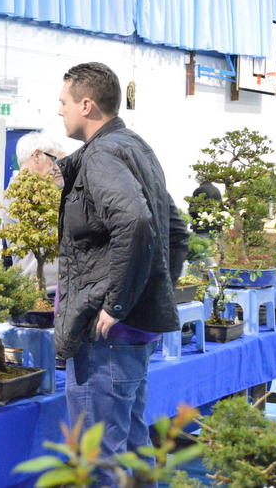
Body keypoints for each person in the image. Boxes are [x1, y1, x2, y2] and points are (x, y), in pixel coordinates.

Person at [54, 62, 189, 487]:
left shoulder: (102, 155)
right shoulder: (137, 147)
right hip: (133, 333)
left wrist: (117, 303)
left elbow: (137, 223)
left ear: (87, 104)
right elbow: (176, 230)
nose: (60, 111)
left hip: (107, 335)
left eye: (64, 103)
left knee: (98, 460)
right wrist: (151, 289)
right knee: (132, 446)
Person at [1, 132, 65, 294]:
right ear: (37, 156)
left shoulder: (32, 191)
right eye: (52, 159)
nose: (55, 167)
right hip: (39, 290)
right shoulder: (22, 194)